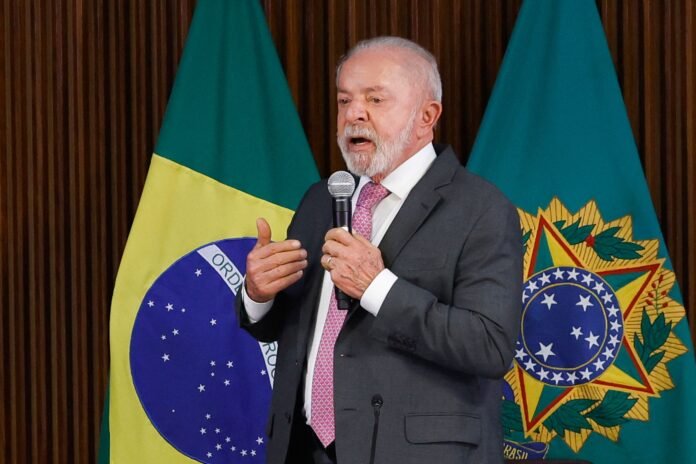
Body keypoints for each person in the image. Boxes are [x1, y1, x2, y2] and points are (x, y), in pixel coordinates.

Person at [237, 36, 522, 464]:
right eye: (344, 100)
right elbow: (298, 330)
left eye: (374, 99)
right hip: (303, 449)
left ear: (427, 116)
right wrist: (259, 295)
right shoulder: (321, 200)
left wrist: (377, 288)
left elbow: (489, 347)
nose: (354, 114)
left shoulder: (481, 208)